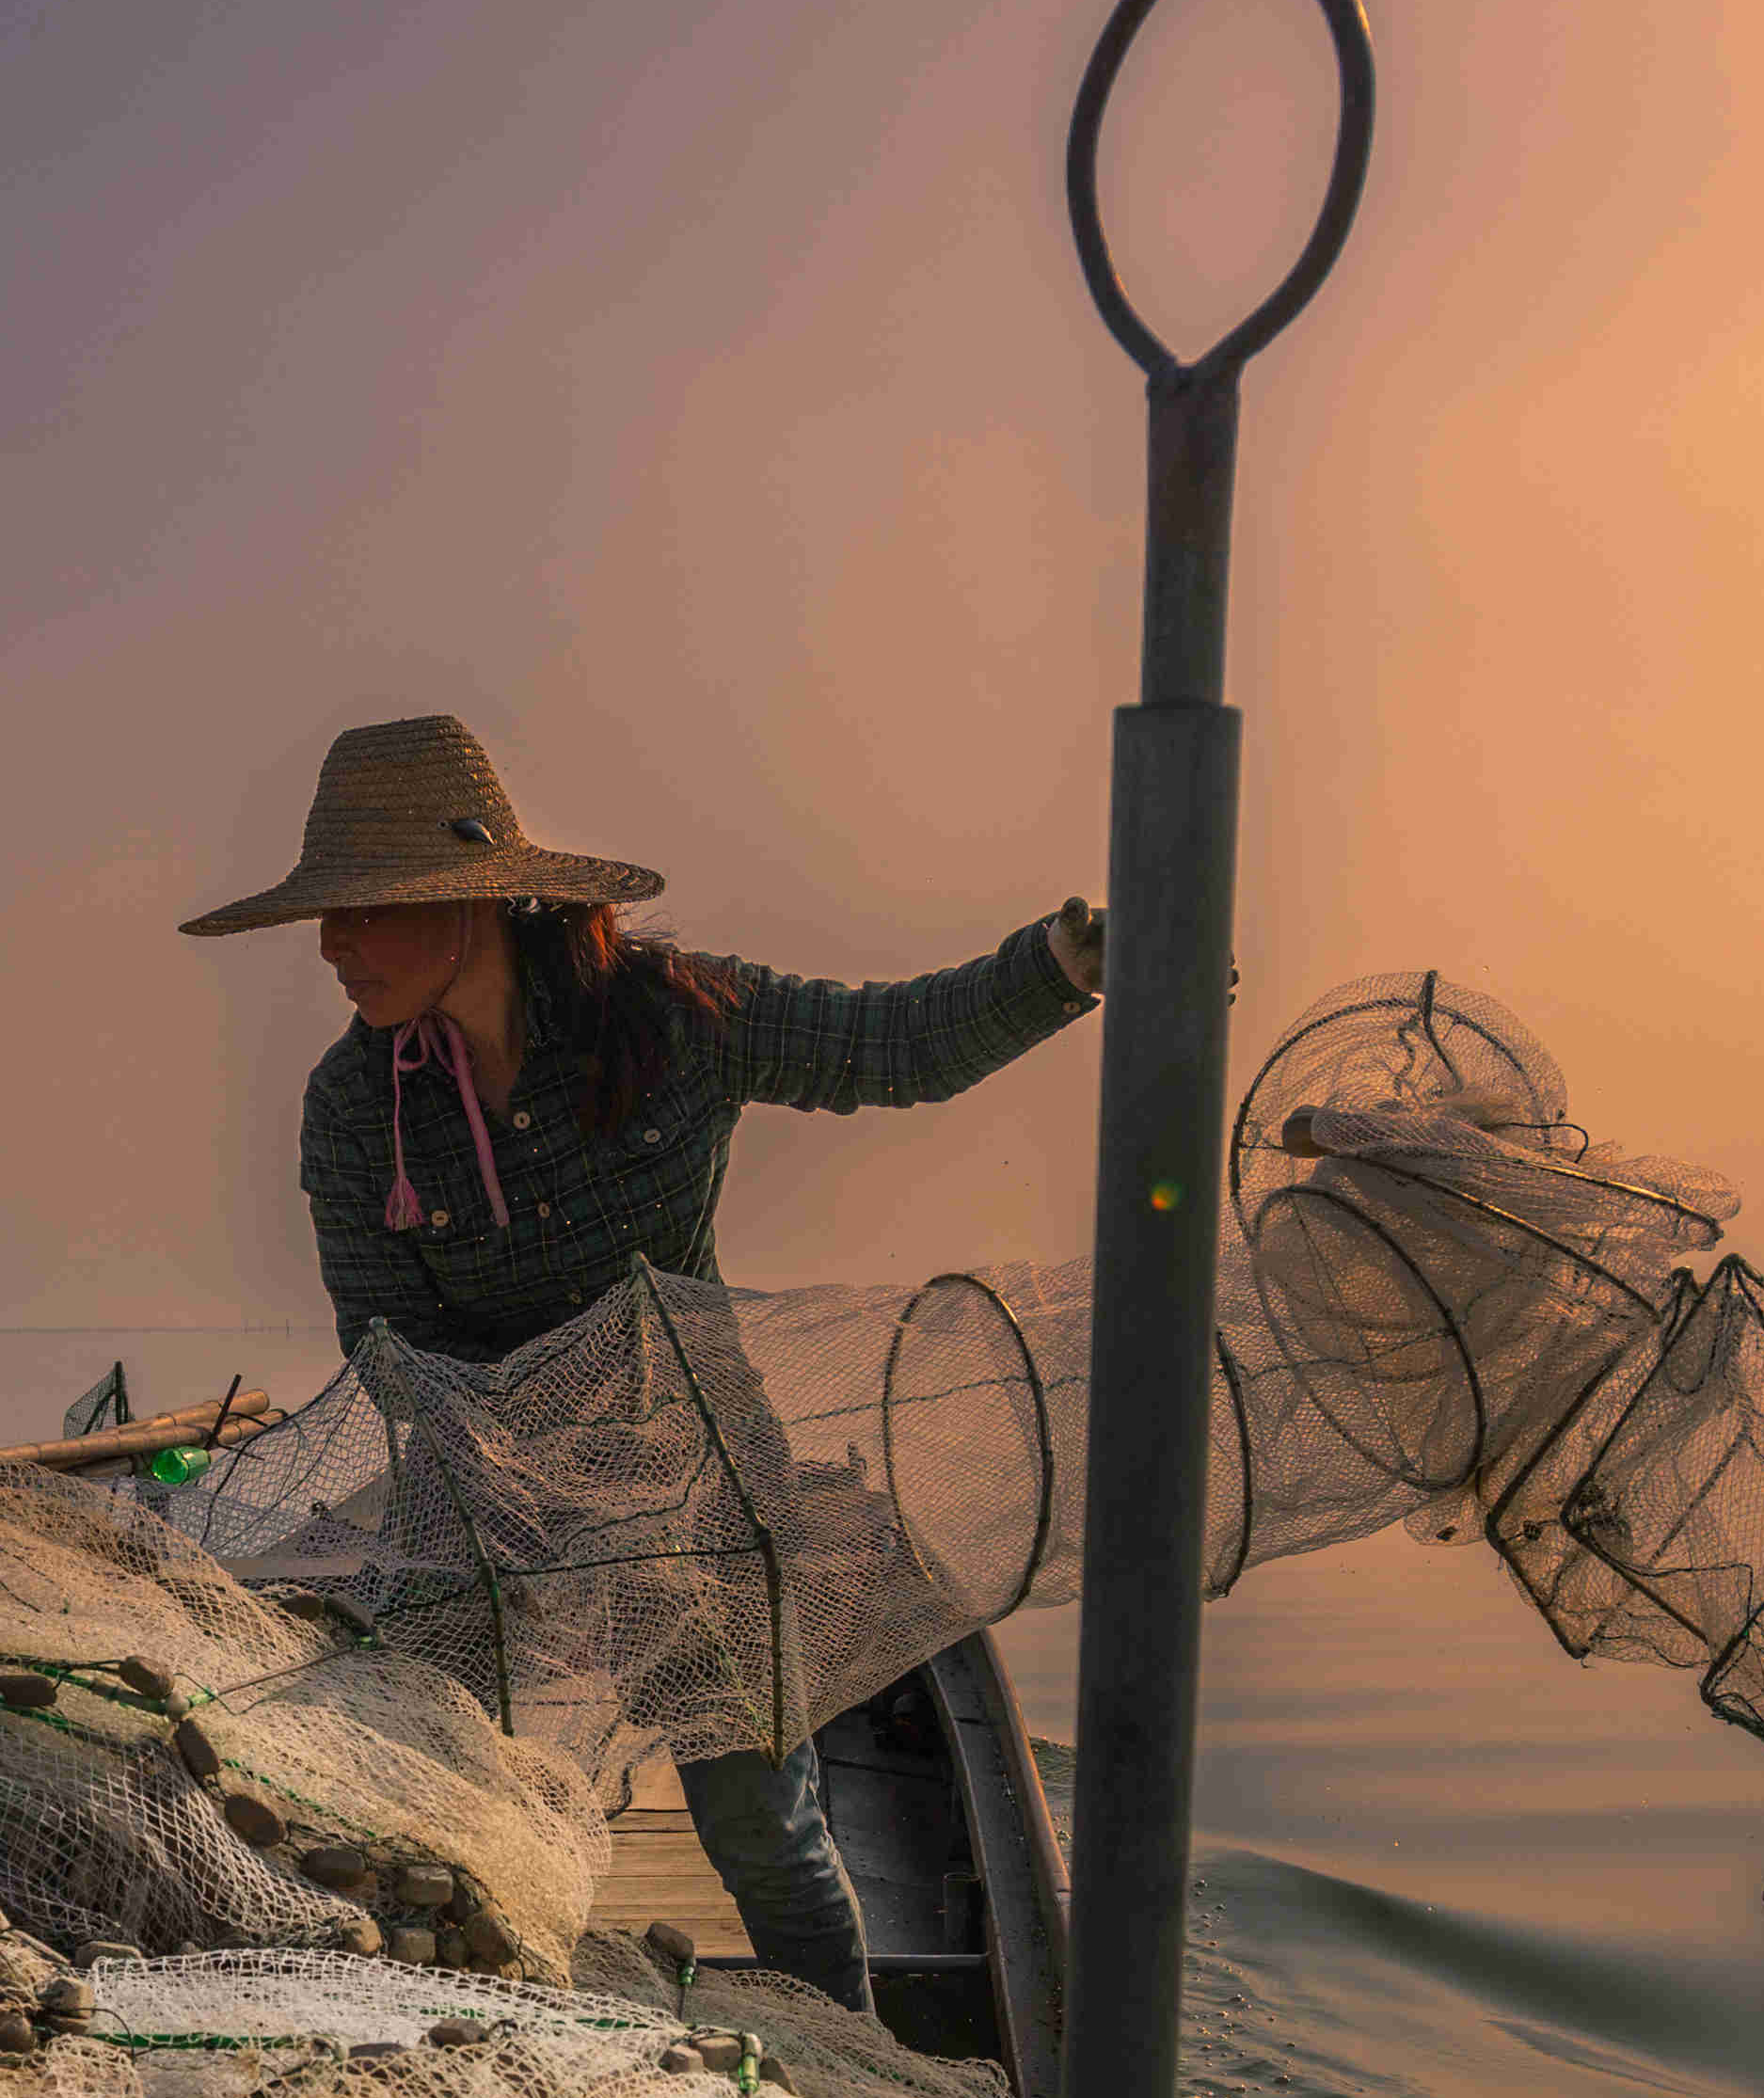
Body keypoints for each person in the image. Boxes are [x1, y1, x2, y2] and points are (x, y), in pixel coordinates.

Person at [184, 712, 1101, 2007]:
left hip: (699, 1499)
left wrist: (1060, 967)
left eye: (362, 910)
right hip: (488, 1518)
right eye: (324, 917)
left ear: (470, 903)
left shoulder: (668, 1022)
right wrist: (513, 1480)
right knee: (438, 1825)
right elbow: (382, 1345)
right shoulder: (352, 1110)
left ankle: (849, 2069)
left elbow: (886, 1048)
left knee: (764, 1841)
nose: (331, 945)